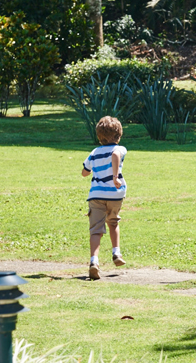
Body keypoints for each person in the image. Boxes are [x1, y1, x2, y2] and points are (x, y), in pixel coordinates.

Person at [81, 116, 128, 280]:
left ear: (99, 137)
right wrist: (115, 177)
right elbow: (115, 153)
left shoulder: (94, 152)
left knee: (96, 230)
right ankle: (117, 253)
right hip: (115, 195)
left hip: (96, 195)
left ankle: (94, 261)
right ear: (118, 135)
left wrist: (88, 171)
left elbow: (85, 172)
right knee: (113, 222)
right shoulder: (120, 149)